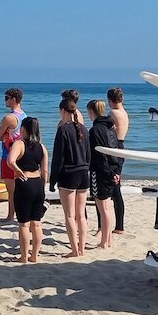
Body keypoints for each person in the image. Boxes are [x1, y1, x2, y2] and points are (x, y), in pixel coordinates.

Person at [49, 94, 89, 257]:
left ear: (62, 111)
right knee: (81, 215)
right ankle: (82, 248)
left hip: (69, 174)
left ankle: (74, 250)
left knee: (70, 215)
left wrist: (52, 180)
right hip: (83, 173)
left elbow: (58, 158)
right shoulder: (84, 129)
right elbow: (88, 154)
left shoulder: (63, 130)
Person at [5, 116, 47, 263]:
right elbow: (45, 172)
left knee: (24, 223)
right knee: (36, 223)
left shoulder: (19, 144)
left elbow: (10, 161)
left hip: (25, 183)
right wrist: (43, 188)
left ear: (23, 129)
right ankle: (34, 255)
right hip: (38, 185)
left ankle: (24, 256)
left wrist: (18, 170)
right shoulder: (42, 147)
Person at [87, 99, 123, 250]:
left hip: (100, 172)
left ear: (91, 112)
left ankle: (104, 241)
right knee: (106, 207)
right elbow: (118, 151)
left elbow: (100, 156)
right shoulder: (111, 128)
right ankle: (107, 240)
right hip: (112, 170)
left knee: (103, 208)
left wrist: (109, 173)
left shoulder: (95, 131)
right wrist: (116, 172)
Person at [0, 87, 25, 223]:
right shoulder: (25, 116)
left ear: (14, 99)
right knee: (19, 187)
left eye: (6, 98)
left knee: (10, 189)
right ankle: (19, 213)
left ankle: (10, 215)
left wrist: (4, 135)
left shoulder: (9, 118)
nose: (5, 100)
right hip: (21, 155)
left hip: (8, 156)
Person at [107, 86, 129, 235]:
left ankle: (119, 226)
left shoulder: (113, 113)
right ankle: (119, 224)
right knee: (116, 188)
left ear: (110, 100)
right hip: (121, 146)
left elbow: (107, 132)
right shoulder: (124, 113)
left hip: (115, 147)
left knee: (115, 189)